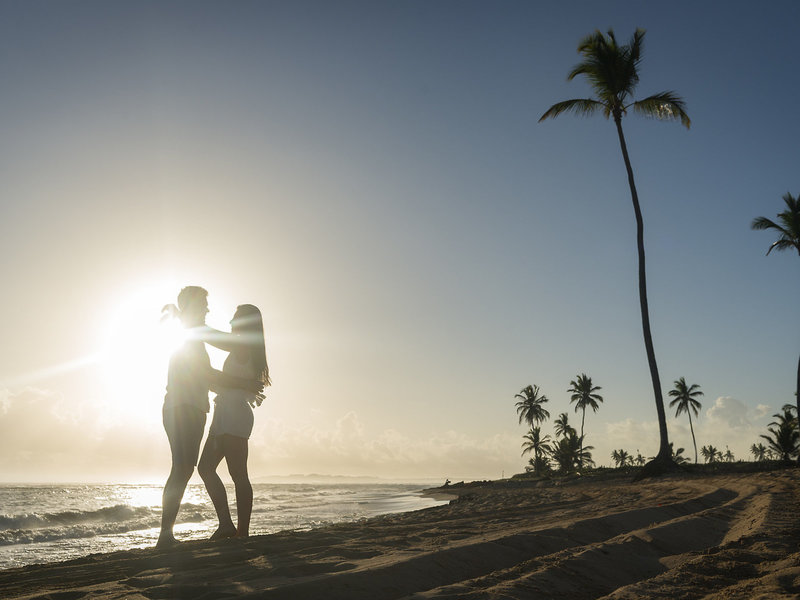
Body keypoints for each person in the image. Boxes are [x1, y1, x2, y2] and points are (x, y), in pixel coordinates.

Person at [157, 287, 263, 549]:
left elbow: (208, 373)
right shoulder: (192, 336)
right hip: (191, 408)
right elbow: (206, 373)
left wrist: (181, 315)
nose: (209, 309)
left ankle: (234, 529)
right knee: (188, 468)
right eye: (204, 304)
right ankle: (168, 535)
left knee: (198, 469)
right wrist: (244, 383)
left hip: (209, 410)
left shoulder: (217, 339)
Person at [197, 304, 270, 539]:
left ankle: (242, 532)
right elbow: (230, 380)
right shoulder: (245, 346)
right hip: (224, 413)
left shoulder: (242, 344)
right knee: (206, 468)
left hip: (235, 414)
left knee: (238, 474)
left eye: (235, 318)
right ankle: (227, 525)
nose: (230, 322)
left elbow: (210, 336)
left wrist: (192, 322)